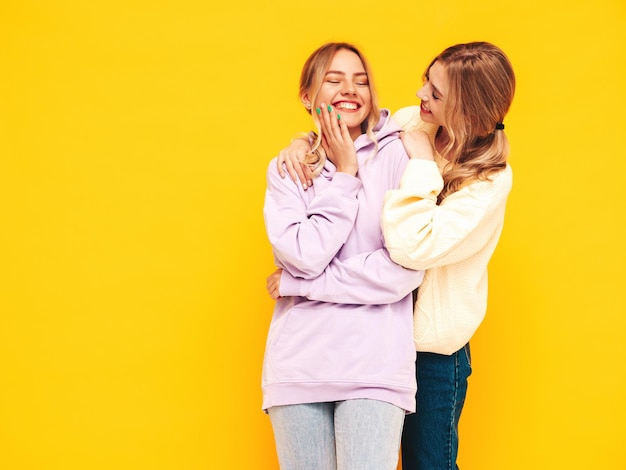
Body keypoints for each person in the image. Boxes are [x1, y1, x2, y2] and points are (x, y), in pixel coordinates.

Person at [273, 42, 516, 470]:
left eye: (436, 94)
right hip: (375, 334)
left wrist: (422, 166)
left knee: (428, 464)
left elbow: (409, 252)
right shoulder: (411, 124)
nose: (421, 94)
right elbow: (348, 129)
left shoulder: (488, 182)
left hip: (430, 347)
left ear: (467, 112)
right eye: (427, 79)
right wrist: (303, 141)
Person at [261, 42, 425, 470]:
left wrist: (300, 284)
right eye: (333, 80)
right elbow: (304, 254)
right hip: (298, 367)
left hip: (375, 369)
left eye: (361, 80)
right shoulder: (288, 168)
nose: (349, 90)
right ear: (307, 96)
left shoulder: (400, 154)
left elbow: (403, 269)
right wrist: (346, 173)